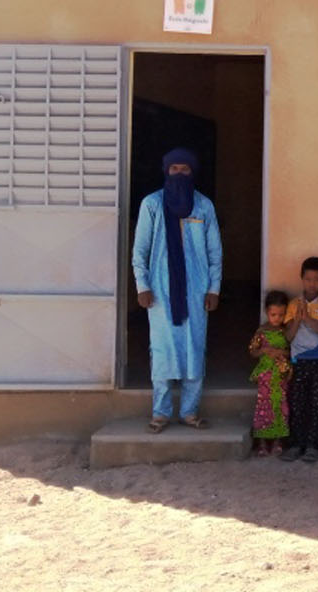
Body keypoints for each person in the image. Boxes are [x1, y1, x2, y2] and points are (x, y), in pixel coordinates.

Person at [132, 147, 223, 434]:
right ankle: (160, 414)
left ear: (192, 173)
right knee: (161, 351)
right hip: (160, 291)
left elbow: (214, 252)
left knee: (194, 349)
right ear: (166, 171)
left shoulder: (204, 206)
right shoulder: (152, 205)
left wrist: (214, 288)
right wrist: (142, 285)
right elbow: (140, 250)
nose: (180, 174)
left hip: (196, 291)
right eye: (175, 169)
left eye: (185, 169)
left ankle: (189, 412)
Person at [280, 256, 318, 463]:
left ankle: (313, 445)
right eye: (308, 279)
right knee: (297, 403)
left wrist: (308, 319)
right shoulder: (294, 304)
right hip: (299, 362)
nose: (312, 283)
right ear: (301, 279)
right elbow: (288, 336)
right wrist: (298, 319)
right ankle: (296, 444)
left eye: (316, 279)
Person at [248, 290, 292, 457]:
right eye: (273, 314)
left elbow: (290, 352)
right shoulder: (261, 331)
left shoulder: (285, 332)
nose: (277, 318)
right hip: (266, 376)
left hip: (280, 377)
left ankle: (278, 441)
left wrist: (280, 352)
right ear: (267, 312)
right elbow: (253, 351)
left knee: (280, 407)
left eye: (281, 315)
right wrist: (265, 350)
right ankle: (261, 442)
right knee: (263, 408)